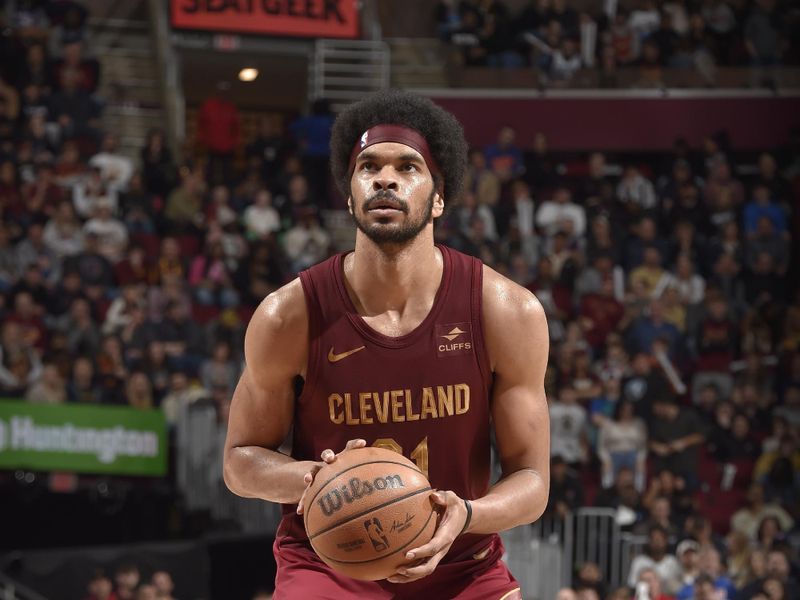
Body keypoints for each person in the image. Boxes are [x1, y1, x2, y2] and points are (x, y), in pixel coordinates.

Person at [223, 90, 550, 599]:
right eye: (368, 166)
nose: (385, 178)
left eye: (409, 167)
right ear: (350, 194)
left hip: (462, 563)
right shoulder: (287, 315)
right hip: (331, 563)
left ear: (439, 197)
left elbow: (531, 479)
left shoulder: (506, 312)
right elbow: (240, 461)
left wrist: (465, 514)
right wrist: (315, 480)